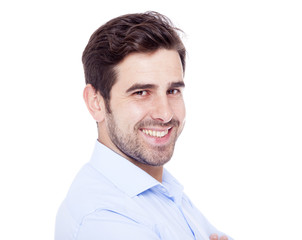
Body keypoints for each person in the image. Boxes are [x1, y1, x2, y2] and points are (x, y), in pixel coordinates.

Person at [55, 11, 232, 240]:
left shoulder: (160, 189)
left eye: (173, 91)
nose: (166, 113)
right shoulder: (103, 219)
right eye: (141, 93)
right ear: (95, 102)